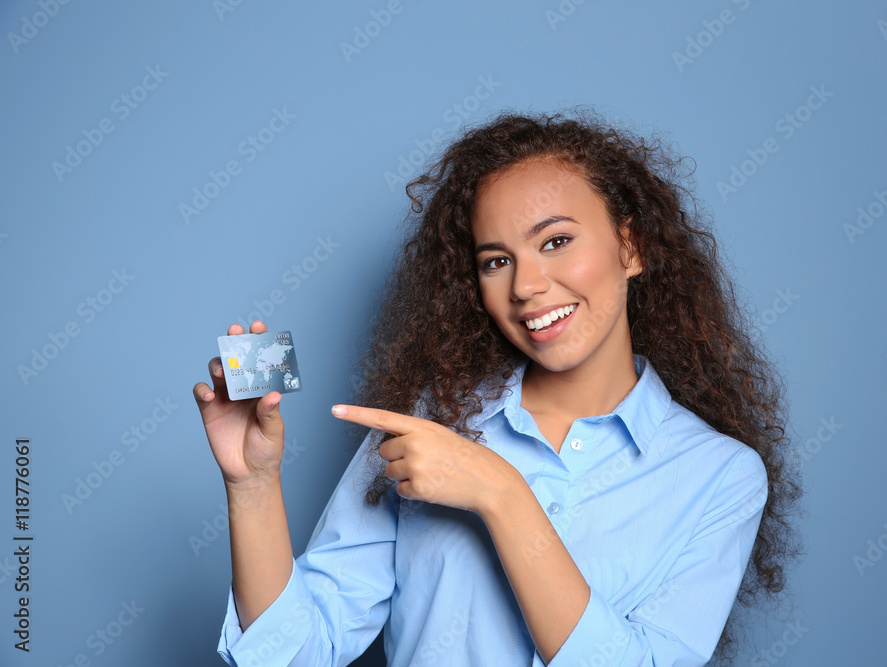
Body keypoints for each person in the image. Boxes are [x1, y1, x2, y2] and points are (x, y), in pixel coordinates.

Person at [193, 109, 801, 666]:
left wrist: (502, 494)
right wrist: (252, 487)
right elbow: (297, 653)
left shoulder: (721, 475)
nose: (527, 285)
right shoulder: (432, 420)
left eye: (556, 241)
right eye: (495, 260)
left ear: (631, 246)